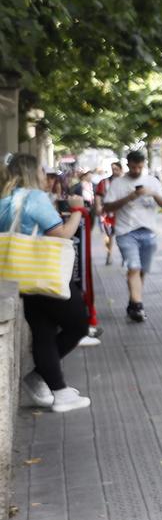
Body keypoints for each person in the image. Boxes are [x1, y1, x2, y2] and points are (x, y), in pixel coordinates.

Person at [1, 156, 91, 412]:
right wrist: (77, 210)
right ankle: (42, 379)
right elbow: (61, 234)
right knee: (78, 325)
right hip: (45, 273)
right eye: (42, 170)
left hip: (21, 276)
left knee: (44, 332)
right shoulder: (35, 198)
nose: (45, 175)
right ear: (32, 172)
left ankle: (58, 390)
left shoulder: (4, 200)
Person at [102, 150, 162, 323]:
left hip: (148, 231)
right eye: (133, 167)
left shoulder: (152, 181)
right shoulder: (118, 183)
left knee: (142, 271)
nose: (137, 170)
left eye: (140, 167)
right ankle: (138, 305)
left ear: (144, 165)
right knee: (133, 267)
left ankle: (133, 303)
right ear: (128, 165)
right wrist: (130, 197)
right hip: (126, 232)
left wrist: (152, 193)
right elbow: (107, 208)